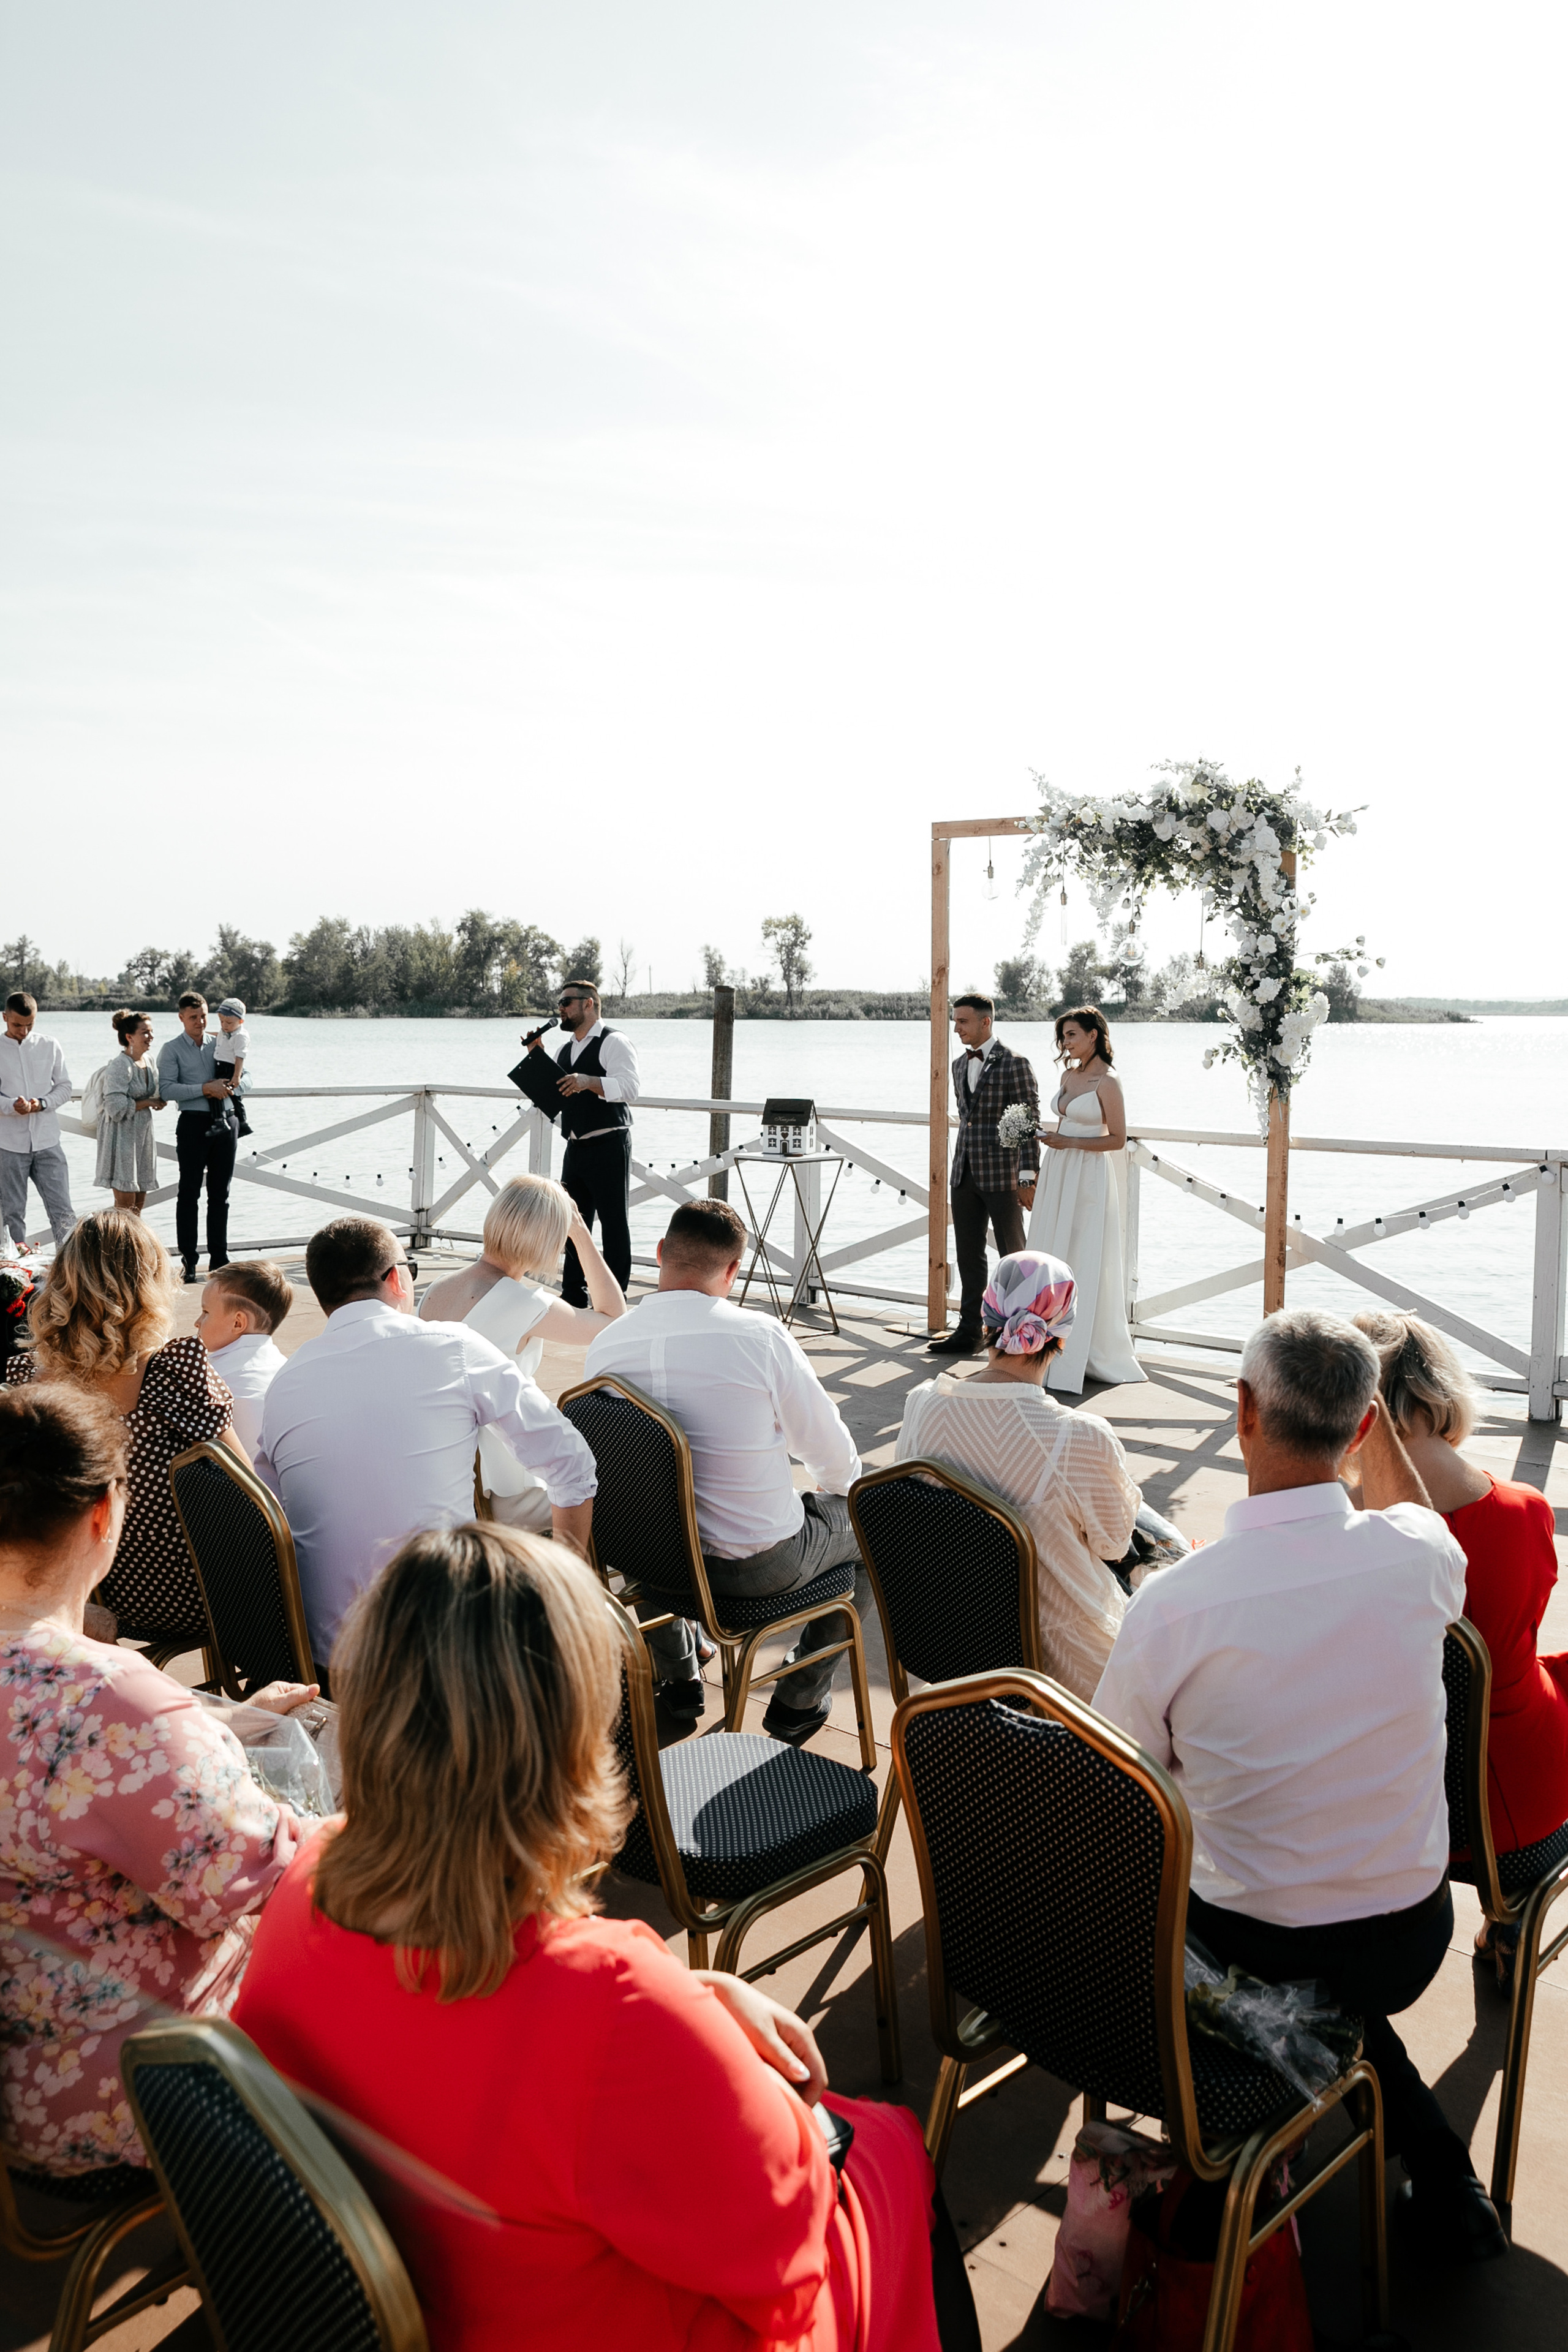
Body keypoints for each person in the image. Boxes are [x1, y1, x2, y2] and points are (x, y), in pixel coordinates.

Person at [233, 1521, 974, 2352]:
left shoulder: (309, 1877)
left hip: (432, 2299)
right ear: (571, 1732)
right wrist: (751, 2085)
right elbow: (789, 2242)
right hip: (595, 2319)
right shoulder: (609, 2006)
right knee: (889, 2151)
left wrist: (694, 1999)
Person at [1093, 1308, 1507, 2264]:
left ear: (1243, 1411)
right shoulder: (1422, 1559)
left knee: (1269, 1939)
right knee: (1341, 1990)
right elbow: (1415, 1514)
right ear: (1367, 1427)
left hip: (1250, 1942)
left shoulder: (1174, 1606)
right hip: (1407, 1936)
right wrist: (1371, 1430)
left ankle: (1256, 2160)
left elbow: (1126, 1787)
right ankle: (1440, 2168)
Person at [0, 1384, 312, 2174]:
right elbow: (258, 1882)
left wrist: (210, 1729)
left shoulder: (114, 1711)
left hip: (23, 2073)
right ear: (102, 1515)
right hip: (133, 2089)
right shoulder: (111, 1702)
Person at [254, 1216, 597, 1666]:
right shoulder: (453, 1346)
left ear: (322, 1297)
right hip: (447, 1656)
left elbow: (265, 1514)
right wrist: (567, 1589)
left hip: (329, 1661)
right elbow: (571, 1463)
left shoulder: (285, 1382)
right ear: (396, 1278)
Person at [585, 1197, 863, 1741]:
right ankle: (798, 1700)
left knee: (649, 1513)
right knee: (874, 1523)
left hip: (653, 1567)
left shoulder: (606, 1347)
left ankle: (679, 1674)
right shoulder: (760, 1338)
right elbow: (836, 1464)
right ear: (733, 1272)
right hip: (755, 1574)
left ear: (660, 1252)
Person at [1352, 1309, 1568, 1987]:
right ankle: (1510, 1917)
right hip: (1516, 1810)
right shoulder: (1523, 1511)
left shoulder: (1350, 1538)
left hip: (1398, 1810)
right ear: (1435, 1394)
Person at [897, 1253, 1139, 1700]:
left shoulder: (921, 1405)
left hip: (948, 1647)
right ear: (1062, 1333)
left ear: (988, 1316)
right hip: (1061, 1668)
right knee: (1154, 1540)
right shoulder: (1079, 1437)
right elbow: (1113, 1545)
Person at [4, 1210, 240, 1649]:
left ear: (62, 1282)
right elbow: (247, 1497)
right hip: (188, 1599)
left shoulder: (25, 1385)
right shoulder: (175, 1375)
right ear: (150, 1285)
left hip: (72, 1595)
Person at [420, 1174, 626, 1529]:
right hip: (507, 1491)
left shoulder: (436, 1291)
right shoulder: (525, 1304)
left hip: (452, 1478)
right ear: (548, 1240)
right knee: (619, 1488)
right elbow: (613, 1318)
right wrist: (582, 1236)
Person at [1025, 1006, 1145, 1392]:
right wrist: (1049, 1153)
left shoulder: (1108, 1082)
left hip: (1089, 1175)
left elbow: (1117, 1139)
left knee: (1083, 1251)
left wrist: (1071, 1142)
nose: (1066, 1043)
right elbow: (1063, 1123)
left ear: (1094, 1035)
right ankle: (1040, 1345)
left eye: (1072, 1035)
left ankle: (1084, 1349)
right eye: (1063, 1036)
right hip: (1059, 1169)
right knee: (1051, 1248)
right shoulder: (1068, 1075)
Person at [928, 992, 1039, 1358]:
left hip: (1003, 1176)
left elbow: (1027, 1123)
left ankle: (1020, 1334)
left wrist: (1027, 1176)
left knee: (1014, 1256)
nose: (956, 1027)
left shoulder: (1015, 1063)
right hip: (965, 1173)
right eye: (955, 1021)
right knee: (969, 1255)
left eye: (962, 1021)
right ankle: (969, 1330)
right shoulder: (960, 1065)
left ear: (985, 1022)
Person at [518, 979, 639, 1305]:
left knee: (614, 1224)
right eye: (559, 1004)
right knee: (572, 1222)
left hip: (609, 1144)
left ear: (589, 1004)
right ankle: (574, 1295)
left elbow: (630, 1089)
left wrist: (588, 1082)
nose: (561, 1009)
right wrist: (537, 1059)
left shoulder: (614, 1041)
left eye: (567, 1002)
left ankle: (616, 1296)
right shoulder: (565, 1049)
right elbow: (557, 1097)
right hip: (575, 1147)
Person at [157, 989, 244, 1283]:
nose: (200, 1021)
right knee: (189, 1194)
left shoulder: (225, 1041)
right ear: (181, 1018)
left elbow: (250, 1078)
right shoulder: (171, 1050)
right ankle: (188, 1261)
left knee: (221, 1195)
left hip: (226, 1122)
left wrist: (231, 1086)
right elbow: (167, 1089)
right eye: (193, 1017)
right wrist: (205, 1089)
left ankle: (219, 1260)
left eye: (204, 1016)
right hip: (193, 1124)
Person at [0, 990, 75, 1253]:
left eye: (29, 1025)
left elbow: (65, 1087)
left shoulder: (50, 1045)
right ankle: (16, 1281)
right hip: (9, 1145)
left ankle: (73, 1272)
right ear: (4, 1018)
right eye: (17, 1025)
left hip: (47, 1141)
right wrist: (12, 1106)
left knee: (63, 1213)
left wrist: (41, 1103)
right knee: (12, 1215)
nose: (23, 1031)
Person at [195, 1258, 294, 1457]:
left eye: (206, 1312)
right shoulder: (285, 1368)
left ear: (238, 1323)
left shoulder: (212, 1381)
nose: (197, 1322)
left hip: (244, 1486)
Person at [95, 1008, 165, 1212]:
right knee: (125, 1210)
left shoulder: (149, 1061)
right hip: (122, 1137)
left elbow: (156, 1090)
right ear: (129, 1037)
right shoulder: (119, 1065)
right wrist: (146, 1103)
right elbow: (114, 1107)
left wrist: (160, 1100)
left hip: (143, 1135)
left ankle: (134, 1245)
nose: (151, 1037)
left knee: (138, 1209)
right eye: (145, 1032)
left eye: (151, 1032)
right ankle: (118, 1245)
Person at [211, 996, 254, 1140]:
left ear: (240, 1021)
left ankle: (219, 1121)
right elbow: (220, 1036)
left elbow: (240, 1057)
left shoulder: (240, 1036)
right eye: (221, 1021)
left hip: (229, 1068)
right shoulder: (227, 1032)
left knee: (214, 1092)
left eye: (229, 1022)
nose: (224, 1025)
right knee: (235, 1097)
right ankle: (243, 1123)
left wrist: (237, 1076)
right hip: (222, 1065)